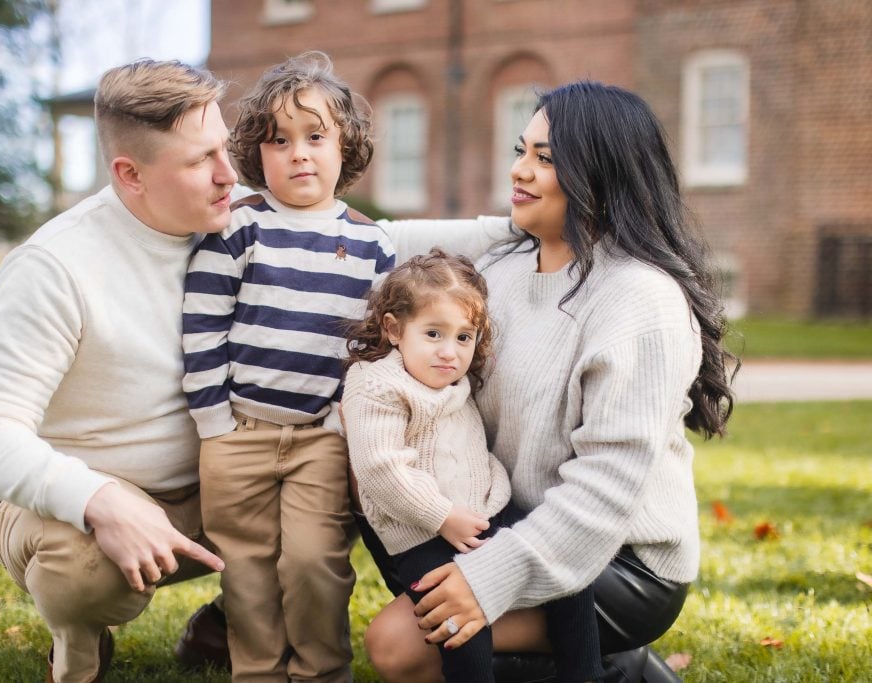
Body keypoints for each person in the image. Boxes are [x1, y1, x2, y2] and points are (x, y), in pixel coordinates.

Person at [359, 80, 737, 682]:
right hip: (509, 522)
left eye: (545, 158)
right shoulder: (499, 270)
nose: (520, 170)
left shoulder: (638, 298)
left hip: (618, 559)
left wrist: (487, 580)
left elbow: (605, 490)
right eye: (521, 150)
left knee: (401, 648)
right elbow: (380, 241)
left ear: (600, 174)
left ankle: (617, 668)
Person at [0, 59, 238, 683]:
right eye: (200, 161)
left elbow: (377, 239)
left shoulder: (239, 227)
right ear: (129, 174)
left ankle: (230, 622)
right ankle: (81, 650)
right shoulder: (54, 267)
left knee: (351, 466)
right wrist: (99, 498)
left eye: (226, 147)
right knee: (83, 575)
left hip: (216, 493)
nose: (229, 175)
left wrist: (506, 224)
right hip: (82, 508)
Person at [181, 51, 395, 682]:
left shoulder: (371, 243)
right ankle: (258, 672)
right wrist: (214, 422)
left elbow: (373, 348)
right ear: (257, 153)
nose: (298, 153)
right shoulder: (238, 229)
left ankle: (322, 672)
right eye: (279, 141)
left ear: (345, 147)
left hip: (319, 440)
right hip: (237, 433)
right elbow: (202, 328)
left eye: (316, 136)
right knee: (245, 570)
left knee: (313, 563)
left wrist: (338, 422)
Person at [342, 249, 604, 683]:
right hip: (424, 531)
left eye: (464, 337)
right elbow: (382, 468)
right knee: (458, 618)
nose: (450, 352)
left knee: (563, 569)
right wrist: (442, 517)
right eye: (433, 334)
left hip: (487, 510)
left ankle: (587, 674)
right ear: (393, 329)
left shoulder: (454, 380)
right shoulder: (376, 384)